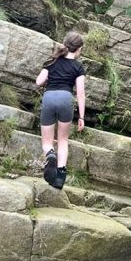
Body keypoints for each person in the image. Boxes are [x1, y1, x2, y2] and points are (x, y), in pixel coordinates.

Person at [35, 31, 85, 189]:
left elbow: (38, 82)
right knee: (63, 140)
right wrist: (81, 117)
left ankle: (50, 155)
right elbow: (81, 92)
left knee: (47, 142)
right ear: (78, 49)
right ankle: (59, 178)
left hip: (49, 98)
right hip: (66, 99)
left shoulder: (52, 61)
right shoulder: (78, 67)